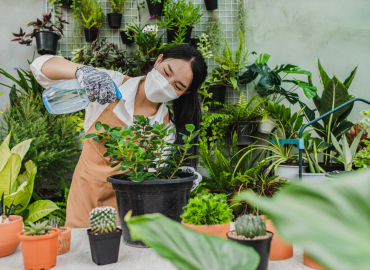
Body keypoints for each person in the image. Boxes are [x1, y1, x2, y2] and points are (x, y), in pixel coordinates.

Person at [30, 44, 208, 227]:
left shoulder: (167, 130)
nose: (166, 83)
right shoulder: (108, 84)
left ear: (184, 93)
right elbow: (40, 66)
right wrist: (82, 71)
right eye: (166, 72)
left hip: (126, 218)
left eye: (177, 86)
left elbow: (151, 187)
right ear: (158, 60)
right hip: (83, 204)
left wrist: (175, 182)